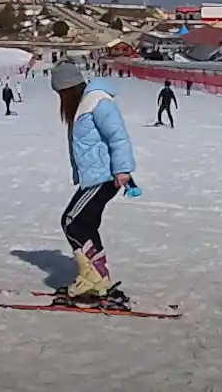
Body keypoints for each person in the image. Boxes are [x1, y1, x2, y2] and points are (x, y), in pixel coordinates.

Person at [50, 60, 139, 300]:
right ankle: (99, 277)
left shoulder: (97, 101)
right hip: (95, 177)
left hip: (104, 177)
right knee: (85, 226)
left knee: (71, 222)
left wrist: (123, 170)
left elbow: (118, 136)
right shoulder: (84, 105)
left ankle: (93, 277)